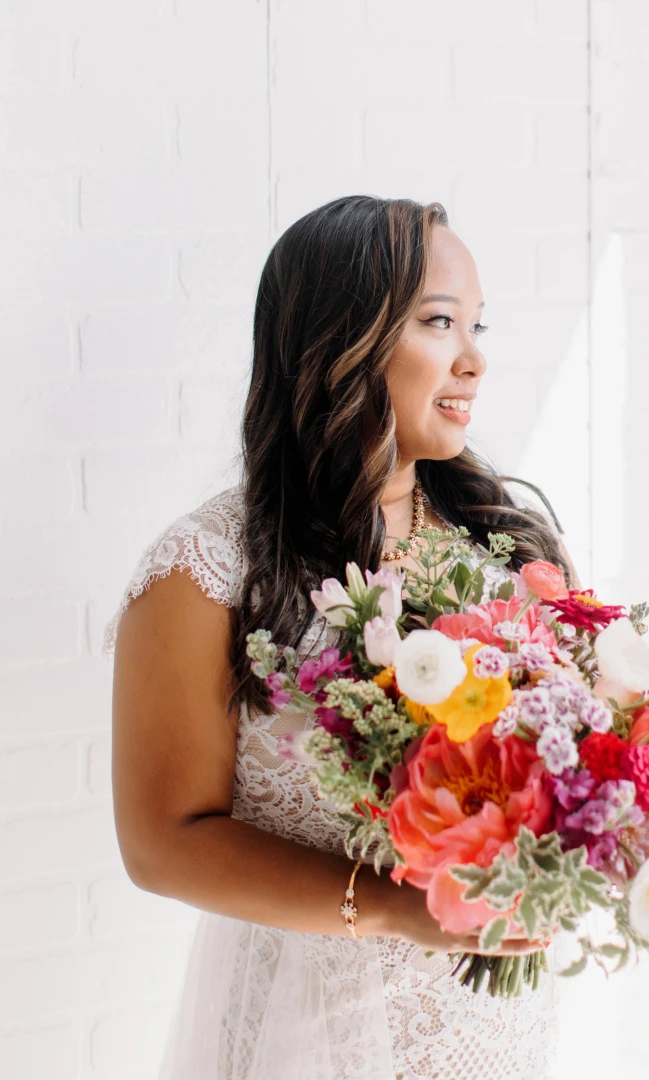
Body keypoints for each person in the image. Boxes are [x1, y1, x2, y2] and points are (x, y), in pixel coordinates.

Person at [106, 195, 581, 1080]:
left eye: (478, 326)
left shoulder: (508, 547)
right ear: (344, 342)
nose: (475, 360)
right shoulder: (203, 571)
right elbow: (162, 840)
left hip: (492, 1031)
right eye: (441, 322)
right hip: (307, 1031)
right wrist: (398, 908)